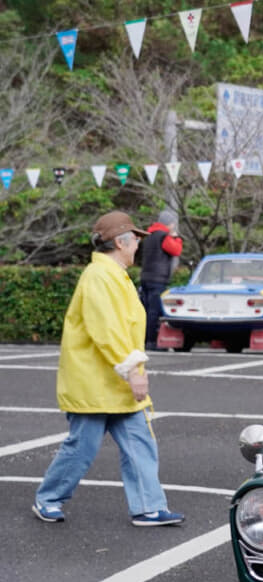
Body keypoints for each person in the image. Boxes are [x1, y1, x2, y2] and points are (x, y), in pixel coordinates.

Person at [32, 211, 185, 527]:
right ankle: (48, 498)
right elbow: (107, 330)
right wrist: (133, 370)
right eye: (135, 240)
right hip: (97, 382)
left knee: (139, 443)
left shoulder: (109, 273)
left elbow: (116, 331)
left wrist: (132, 372)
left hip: (111, 382)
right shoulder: (100, 276)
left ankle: (148, 507)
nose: (137, 247)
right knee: (83, 448)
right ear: (120, 241)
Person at [138, 209, 184, 351]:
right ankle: (151, 342)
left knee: (145, 311)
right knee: (154, 311)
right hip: (158, 279)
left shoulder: (149, 235)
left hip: (145, 277)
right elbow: (176, 250)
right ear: (169, 224)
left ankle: (143, 340)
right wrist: (176, 238)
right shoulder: (163, 236)